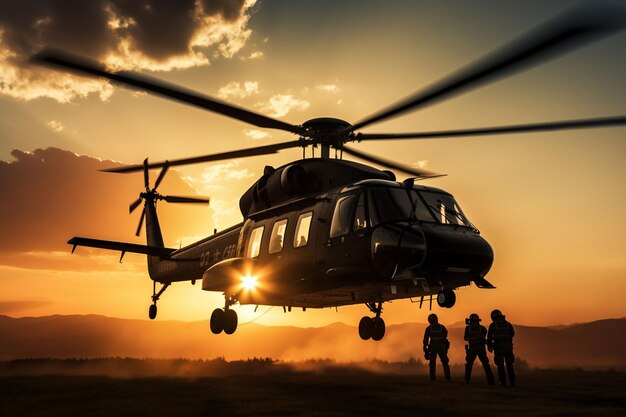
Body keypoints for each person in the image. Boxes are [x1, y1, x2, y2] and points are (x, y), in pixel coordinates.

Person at [487, 309, 516, 387]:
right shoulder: (508, 324)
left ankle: (503, 382)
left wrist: (489, 346)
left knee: (500, 365)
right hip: (509, 347)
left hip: (498, 348)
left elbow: (489, 337)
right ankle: (512, 381)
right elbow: (512, 334)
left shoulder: (493, 325)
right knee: (509, 364)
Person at [464, 313, 495, 385]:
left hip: (472, 348)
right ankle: (491, 381)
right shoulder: (483, 328)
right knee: (486, 365)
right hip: (481, 348)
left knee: (469, 365)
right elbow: (484, 337)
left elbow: (465, 338)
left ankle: (467, 380)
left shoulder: (468, 328)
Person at [423, 313, 451, 382]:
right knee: (445, 362)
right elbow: (445, 335)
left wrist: (425, 349)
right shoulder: (442, 327)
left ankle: (432, 379)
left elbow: (426, 339)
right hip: (442, 346)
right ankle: (448, 378)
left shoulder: (429, 328)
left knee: (432, 363)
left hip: (433, 347)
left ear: (429, 320)